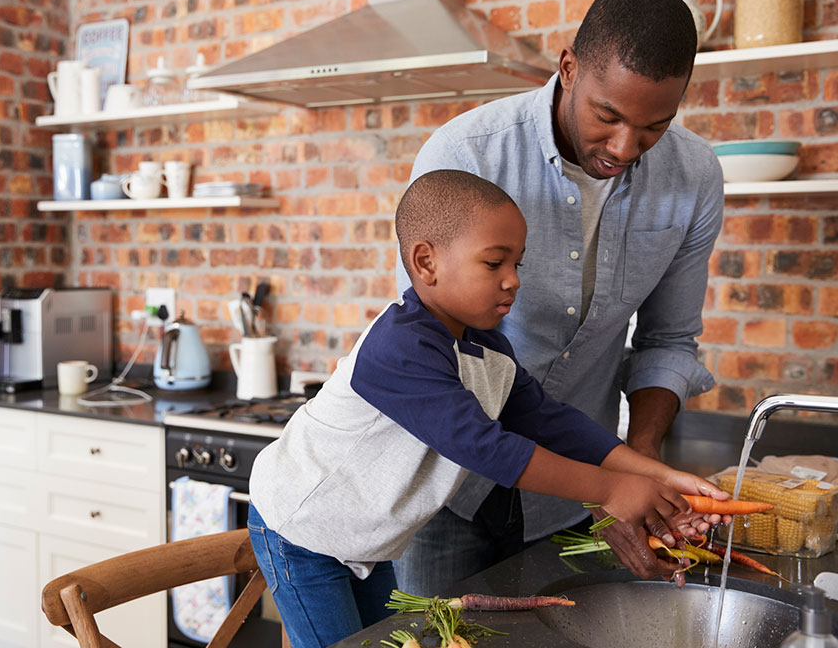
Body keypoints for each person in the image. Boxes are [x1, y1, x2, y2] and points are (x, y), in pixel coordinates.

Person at [247, 170, 728, 648]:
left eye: (518, 264)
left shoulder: (487, 349)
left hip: (360, 539)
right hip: (302, 530)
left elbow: (549, 421)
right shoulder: (399, 346)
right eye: (495, 263)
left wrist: (656, 475)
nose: (513, 281)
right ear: (426, 263)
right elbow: (487, 449)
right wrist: (614, 488)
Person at [394, 0, 725, 596]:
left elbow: (669, 340)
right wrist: (610, 484)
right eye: (608, 115)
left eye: (655, 125)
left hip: (573, 503)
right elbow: (439, 353)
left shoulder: (695, 176)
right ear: (568, 68)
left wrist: (640, 469)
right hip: (448, 492)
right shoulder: (467, 154)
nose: (625, 148)